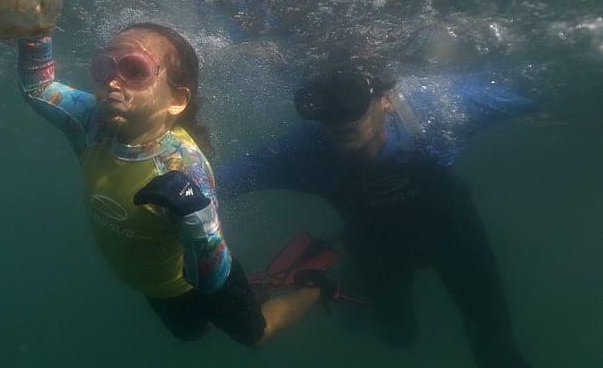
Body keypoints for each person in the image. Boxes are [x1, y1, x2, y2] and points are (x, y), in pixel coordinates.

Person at [17, 23, 326, 346]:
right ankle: (257, 287)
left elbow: (212, 280)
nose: (111, 81)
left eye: (134, 70)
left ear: (177, 99)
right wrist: (36, 28)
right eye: (104, 66)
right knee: (191, 334)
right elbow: (40, 88)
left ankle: (316, 289)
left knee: (255, 336)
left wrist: (198, 221)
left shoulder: (184, 169)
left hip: (201, 281)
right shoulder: (92, 122)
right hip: (154, 287)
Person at [216, 70, 534, 367]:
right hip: (379, 249)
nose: (337, 116)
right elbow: (221, 181)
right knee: (397, 337)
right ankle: (329, 286)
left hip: (456, 237)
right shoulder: (307, 148)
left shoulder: (434, 109)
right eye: (322, 104)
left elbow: (538, 88)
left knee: (495, 346)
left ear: (386, 99)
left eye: (349, 98)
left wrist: (572, 99)